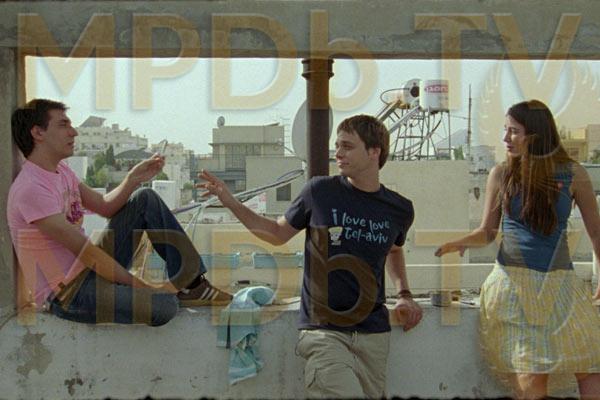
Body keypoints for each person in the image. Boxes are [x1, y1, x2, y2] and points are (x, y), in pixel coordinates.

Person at [199, 114, 422, 398]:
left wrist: (404, 293)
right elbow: (276, 233)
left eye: (347, 146)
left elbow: (394, 249)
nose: (338, 153)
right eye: (337, 146)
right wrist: (232, 203)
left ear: (374, 151)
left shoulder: (399, 209)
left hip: (374, 335)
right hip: (324, 332)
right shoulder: (320, 192)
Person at [8, 99, 231, 327]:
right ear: (38, 132)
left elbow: (104, 206)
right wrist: (143, 287)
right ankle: (167, 293)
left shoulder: (62, 171)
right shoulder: (31, 189)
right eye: (63, 125)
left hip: (89, 270)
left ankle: (192, 285)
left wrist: (133, 178)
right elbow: (88, 254)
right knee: (164, 306)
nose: (73, 132)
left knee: (145, 199)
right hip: (68, 293)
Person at [436, 100, 600, 399]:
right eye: (505, 130)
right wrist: (460, 242)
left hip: (562, 285)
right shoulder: (501, 174)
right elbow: (487, 232)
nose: (505, 138)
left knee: (590, 364)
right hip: (513, 286)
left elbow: (596, 231)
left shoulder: (573, 173)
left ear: (536, 135)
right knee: (531, 376)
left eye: (513, 131)